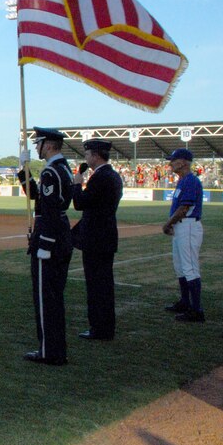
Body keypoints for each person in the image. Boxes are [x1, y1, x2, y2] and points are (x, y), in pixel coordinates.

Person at [17, 127, 73, 365]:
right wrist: (25, 172)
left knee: (45, 297)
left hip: (50, 236)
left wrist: (45, 243)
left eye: (38, 143)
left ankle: (49, 351)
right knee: (53, 296)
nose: (37, 147)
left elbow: (48, 209)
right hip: (60, 232)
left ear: (48, 145)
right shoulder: (64, 168)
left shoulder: (51, 171)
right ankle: (54, 348)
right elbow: (36, 197)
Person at [71, 139, 122, 340]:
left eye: (87, 154)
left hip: (96, 238)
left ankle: (99, 328)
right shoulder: (112, 176)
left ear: (95, 155)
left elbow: (80, 203)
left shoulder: (100, 178)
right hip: (105, 236)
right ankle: (104, 327)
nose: (86, 158)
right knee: (104, 285)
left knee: (96, 285)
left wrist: (77, 185)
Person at [162, 148, 205, 322]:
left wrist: (168, 223)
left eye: (173, 160)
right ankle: (185, 302)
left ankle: (196, 310)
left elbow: (184, 208)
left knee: (189, 267)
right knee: (180, 266)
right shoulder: (182, 181)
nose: (170, 163)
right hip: (182, 226)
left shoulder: (190, 181)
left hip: (188, 225)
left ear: (183, 162)